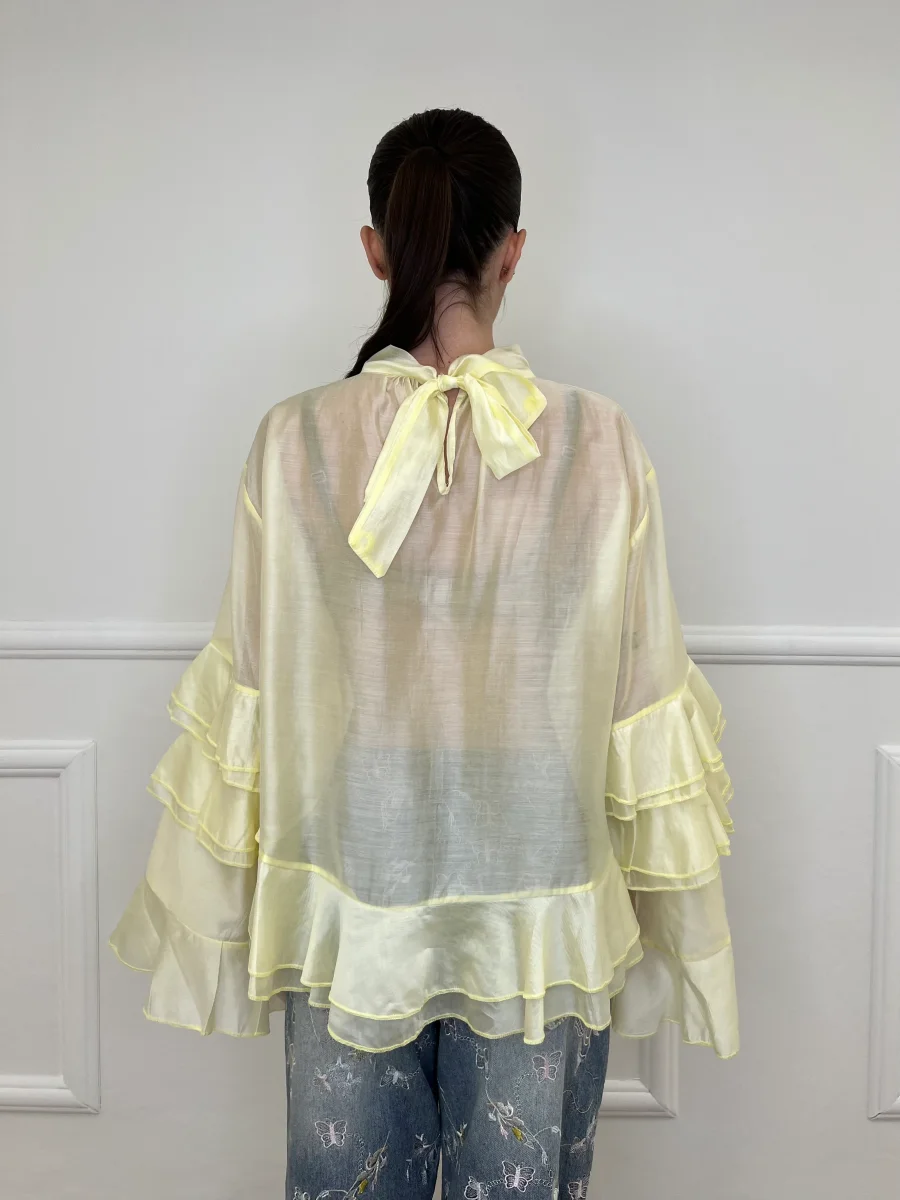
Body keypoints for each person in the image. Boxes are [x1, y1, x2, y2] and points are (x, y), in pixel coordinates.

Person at [110, 106, 738, 1200]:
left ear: (376, 249)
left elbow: (251, 693)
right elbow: (642, 705)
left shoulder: (294, 440)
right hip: (537, 893)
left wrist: (223, 901)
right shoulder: (600, 440)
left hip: (352, 884)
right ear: (513, 253)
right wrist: (668, 920)